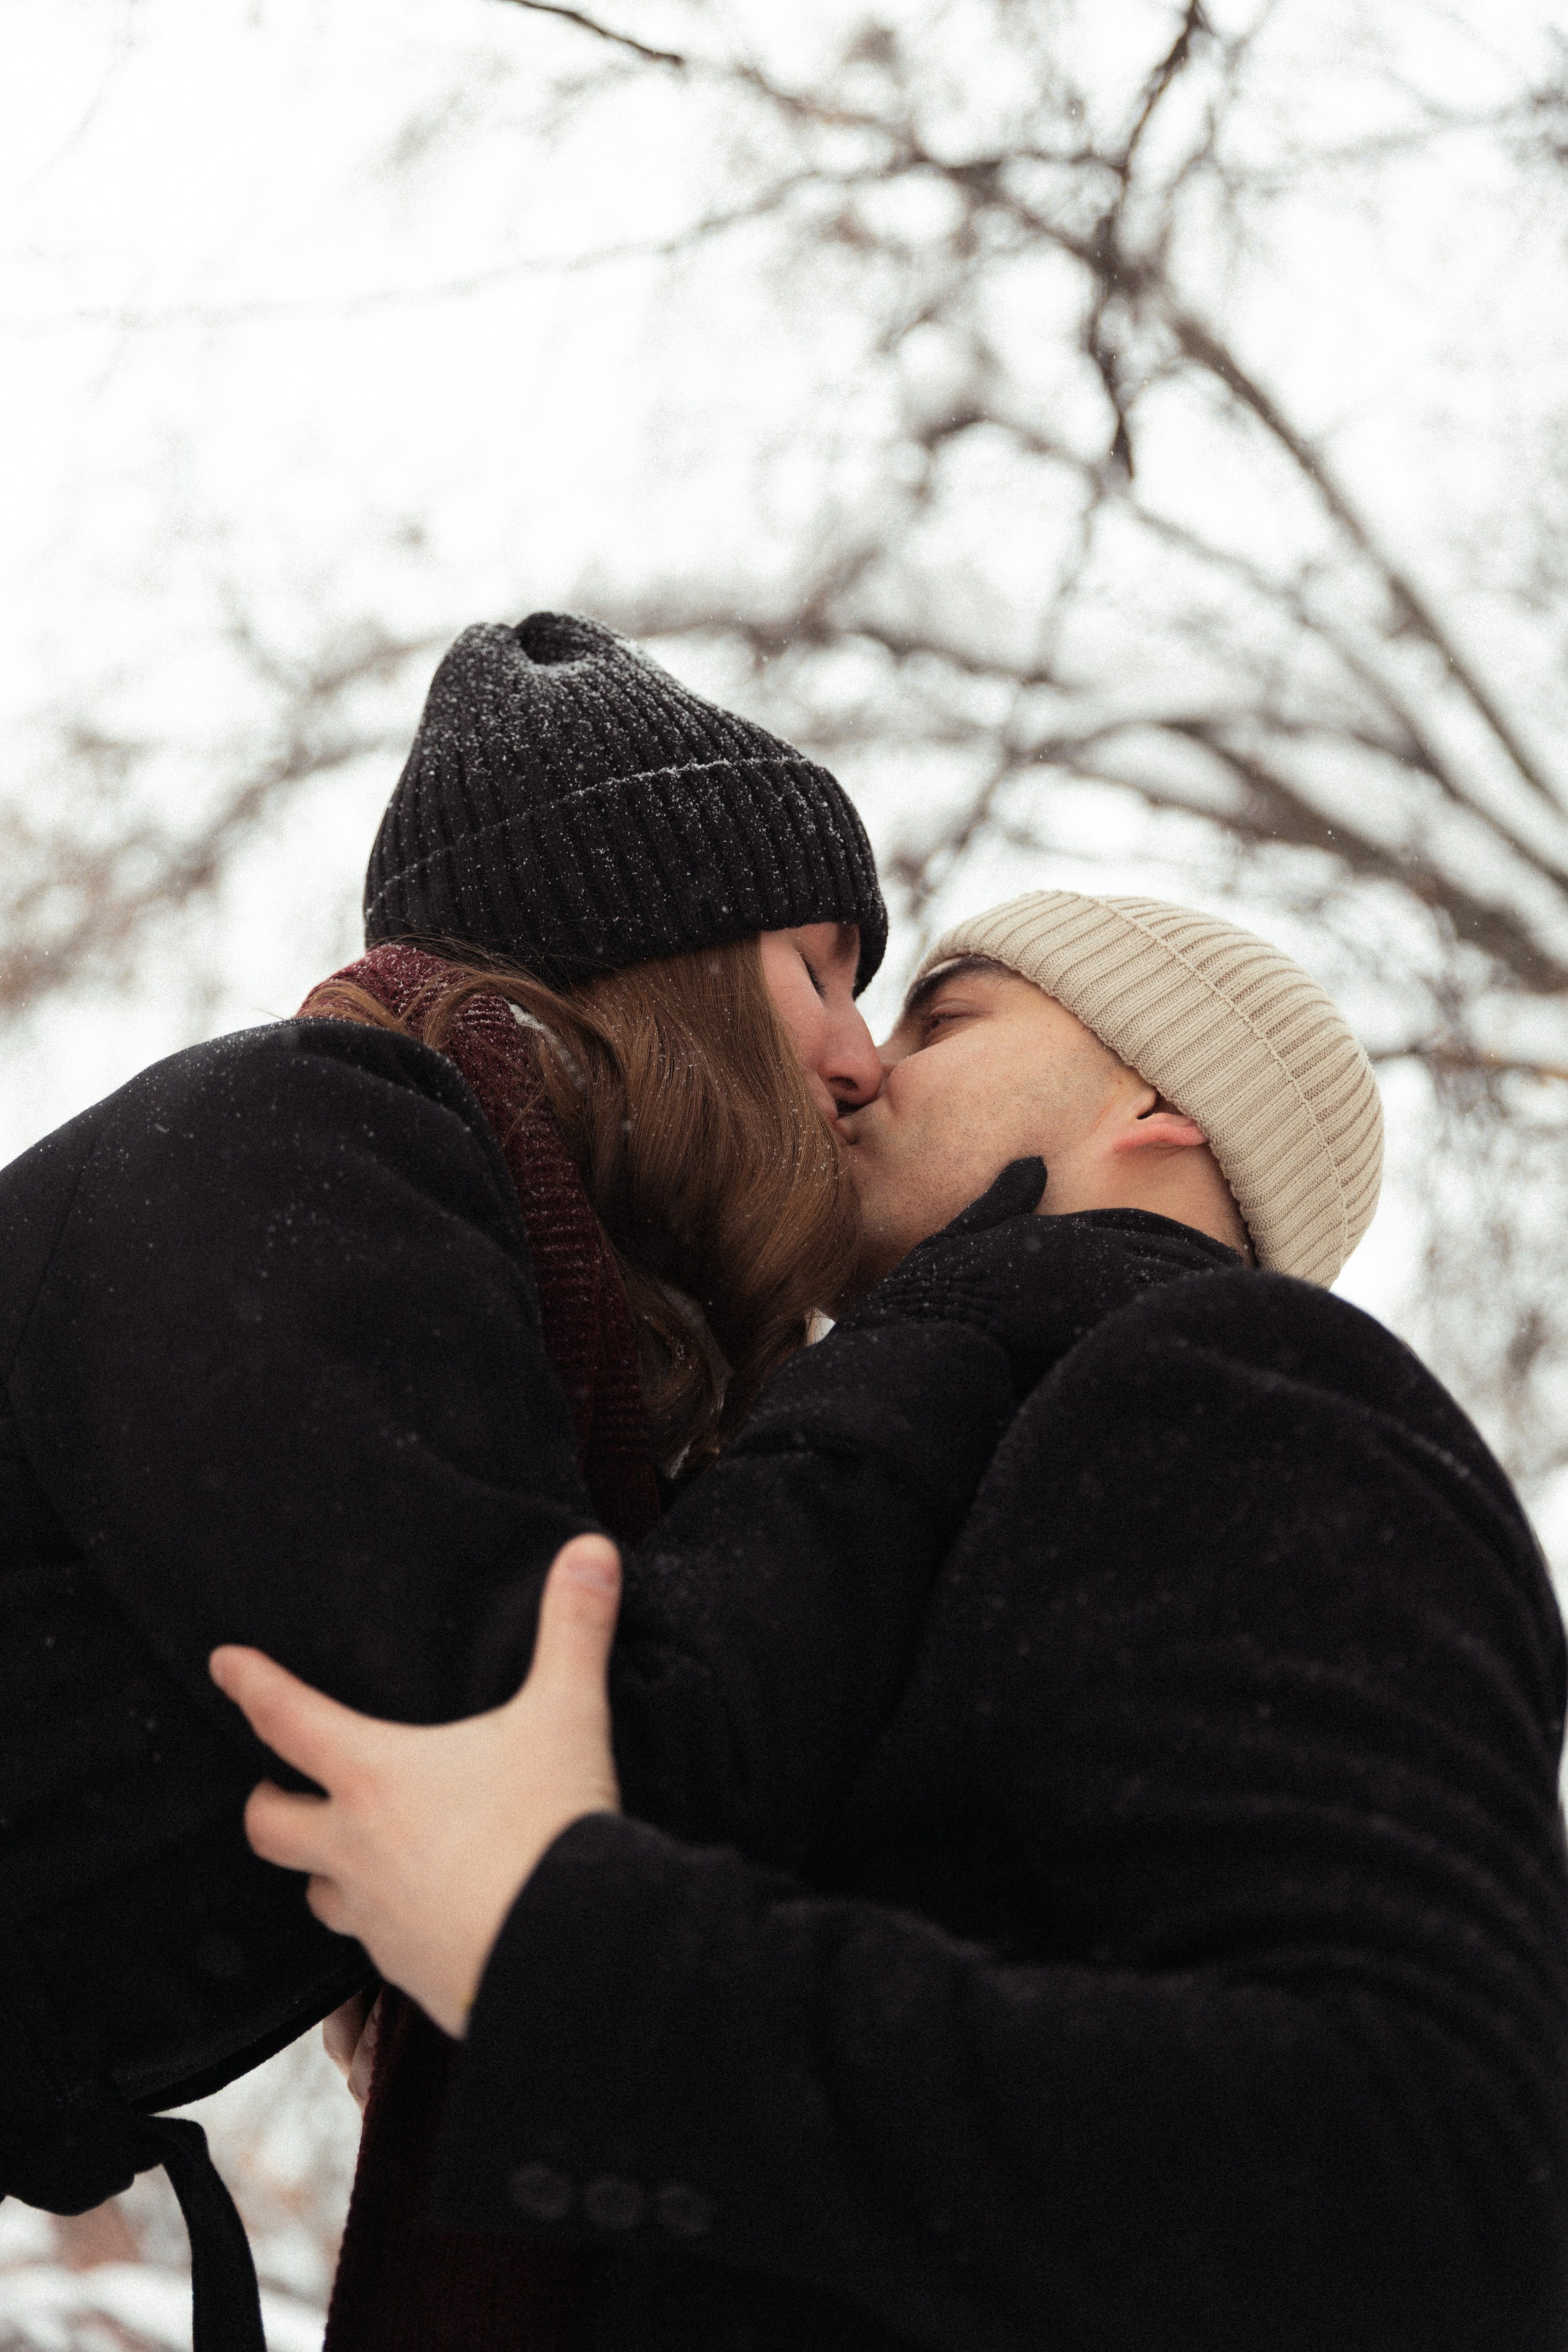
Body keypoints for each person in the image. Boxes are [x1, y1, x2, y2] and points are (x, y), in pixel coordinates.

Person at [223, 889, 1568, 2352]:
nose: (859, 1066)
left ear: (1160, 1101)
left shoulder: (1234, 1377)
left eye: (944, 1018)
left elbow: (1431, 2179)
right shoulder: (892, 1491)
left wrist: (561, 1959)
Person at [0, 616, 1107, 2352]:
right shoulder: (306, 1142)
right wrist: (938, 1341)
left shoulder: (495, 1305)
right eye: (817, 973)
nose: (859, 1061)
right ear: (646, 956)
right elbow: (565, 1778)